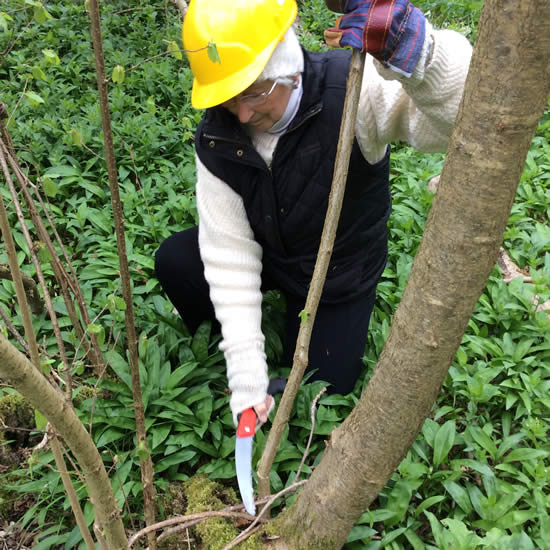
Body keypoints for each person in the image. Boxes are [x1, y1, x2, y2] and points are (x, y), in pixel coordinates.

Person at [155, 0, 472, 425]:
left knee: (323, 389)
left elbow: (459, 124)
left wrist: (425, 58)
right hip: (271, 250)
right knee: (176, 261)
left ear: (289, 66)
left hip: (338, 272)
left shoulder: (353, 90)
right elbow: (227, 250)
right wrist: (245, 365)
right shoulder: (218, 133)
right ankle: (226, 334)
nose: (244, 113)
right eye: (231, 97)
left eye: (254, 91)